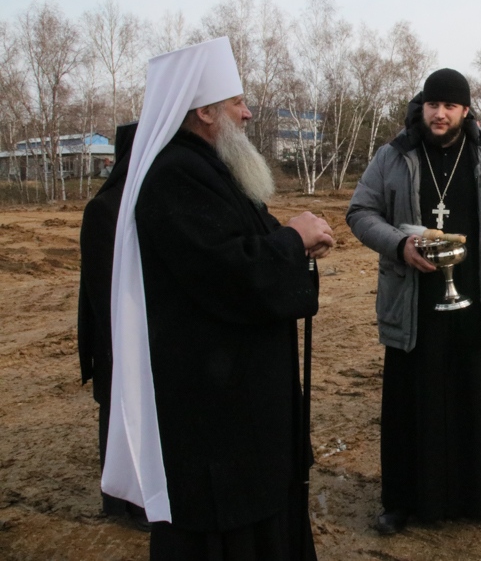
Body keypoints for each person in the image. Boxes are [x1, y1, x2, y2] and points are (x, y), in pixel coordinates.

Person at [102, 37, 334, 560]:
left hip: (241, 394)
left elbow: (248, 242)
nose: (248, 113)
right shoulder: (174, 174)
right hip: (213, 407)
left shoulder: (212, 167)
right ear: (205, 111)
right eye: (238, 102)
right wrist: (292, 240)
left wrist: (297, 242)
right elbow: (230, 272)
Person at [346, 68, 481, 535]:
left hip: (477, 302)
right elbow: (360, 211)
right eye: (433, 104)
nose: (440, 114)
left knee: (479, 400)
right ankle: (401, 501)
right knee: (411, 403)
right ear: (422, 106)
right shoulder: (394, 155)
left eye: (450, 106)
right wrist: (399, 244)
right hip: (412, 303)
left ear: (465, 110)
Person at [77, 121, 149, 530]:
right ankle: (123, 503)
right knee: (121, 415)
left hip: (135, 335)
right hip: (117, 337)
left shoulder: (139, 202)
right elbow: (103, 288)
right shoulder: (105, 210)